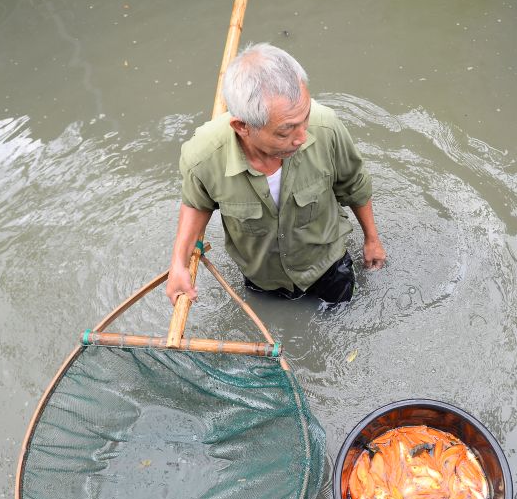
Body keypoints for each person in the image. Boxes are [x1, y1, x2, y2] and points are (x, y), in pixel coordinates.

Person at [165, 43, 386, 306]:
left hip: (327, 264)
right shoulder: (203, 157)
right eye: (286, 131)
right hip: (262, 278)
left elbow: (354, 184)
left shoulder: (326, 127)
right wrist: (178, 264)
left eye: (304, 119)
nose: (302, 138)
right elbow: (196, 203)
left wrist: (372, 240)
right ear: (242, 127)